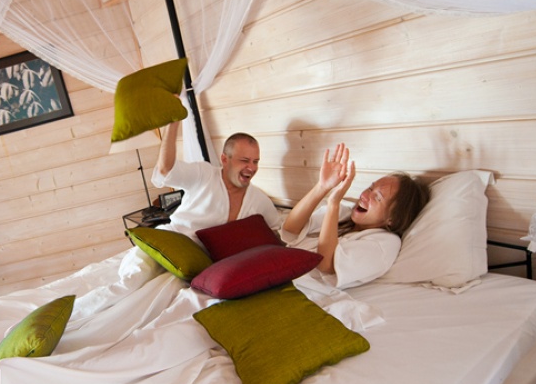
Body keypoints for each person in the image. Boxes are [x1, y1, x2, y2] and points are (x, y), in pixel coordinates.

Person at [281, 143, 428, 290]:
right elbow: (290, 229)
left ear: (393, 219)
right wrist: (322, 187)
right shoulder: (345, 213)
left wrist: (333, 203)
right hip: (282, 267)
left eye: (377, 197)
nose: (364, 195)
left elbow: (325, 265)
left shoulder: (385, 244)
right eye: (370, 188)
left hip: (298, 287)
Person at [150, 122, 280, 238]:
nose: (251, 168)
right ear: (224, 159)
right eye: (244, 160)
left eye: (255, 161)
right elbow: (166, 170)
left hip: (206, 256)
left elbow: (278, 233)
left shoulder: (259, 201)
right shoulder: (204, 174)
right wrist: (172, 124)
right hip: (171, 240)